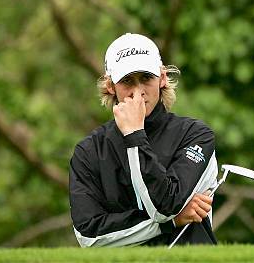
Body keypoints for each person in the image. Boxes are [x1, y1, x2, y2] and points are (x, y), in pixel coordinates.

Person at [69, 33, 218, 247]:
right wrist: (170, 223)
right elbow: (89, 235)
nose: (138, 92)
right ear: (111, 86)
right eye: (127, 81)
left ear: (162, 78)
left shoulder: (195, 135)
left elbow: (165, 206)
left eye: (146, 78)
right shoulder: (89, 151)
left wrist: (134, 136)